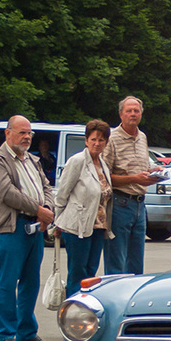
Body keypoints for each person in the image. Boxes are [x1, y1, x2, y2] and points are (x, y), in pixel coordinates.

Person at [0, 115, 55, 341]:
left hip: (34, 227)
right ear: (7, 133)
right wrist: (39, 210)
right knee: (8, 281)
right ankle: (4, 335)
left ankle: (26, 332)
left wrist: (47, 209)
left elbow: (46, 186)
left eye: (30, 133)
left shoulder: (32, 160)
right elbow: (7, 193)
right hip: (12, 227)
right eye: (21, 132)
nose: (26, 137)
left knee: (31, 281)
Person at [102, 95, 162, 275]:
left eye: (136, 111)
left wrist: (154, 170)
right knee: (116, 260)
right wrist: (135, 178)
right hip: (120, 203)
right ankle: (114, 298)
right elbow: (104, 176)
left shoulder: (142, 137)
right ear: (121, 114)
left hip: (140, 204)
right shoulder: (111, 138)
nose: (133, 114)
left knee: (136, 261)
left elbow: (140, 167)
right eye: (129, 111)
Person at [53, 119, 113, 297]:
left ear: (106, 143)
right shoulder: (77, 161)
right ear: (86, 140)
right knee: (77, 273)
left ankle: (85, 311)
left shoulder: (103, 165)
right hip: (77, 226)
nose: (97, 143)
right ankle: (72, 310)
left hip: (98, 226)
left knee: (90, 274)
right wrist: (57, 222)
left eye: (101, 140)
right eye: (93, 139)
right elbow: (62, 193)